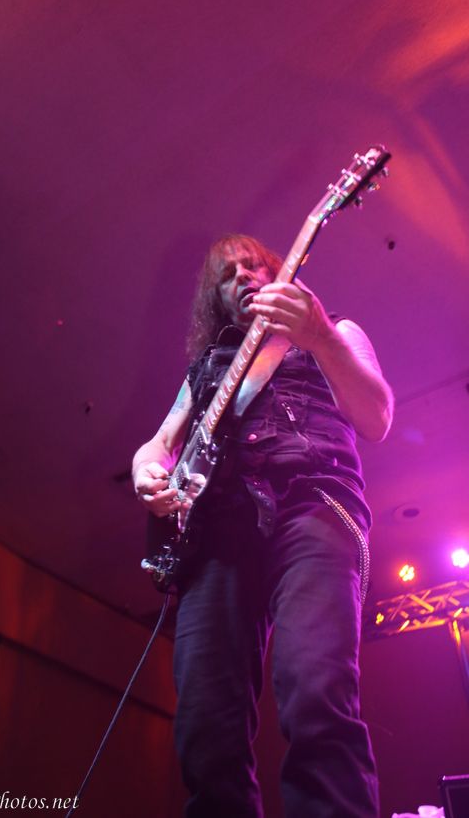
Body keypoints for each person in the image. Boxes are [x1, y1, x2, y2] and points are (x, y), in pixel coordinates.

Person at [132, 233, 394, 818]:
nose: (244, 277)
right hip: (217, 533)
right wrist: (146, 472)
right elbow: (160, 443)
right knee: (204, 725)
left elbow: (376, 417)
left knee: (315, 691)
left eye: (255, 266)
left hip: (312, 504)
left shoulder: (334, 331)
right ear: (217, 297)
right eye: (229, 275)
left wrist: (319, 336)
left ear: (280, 274)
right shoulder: (206, 369)